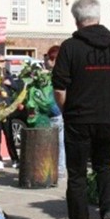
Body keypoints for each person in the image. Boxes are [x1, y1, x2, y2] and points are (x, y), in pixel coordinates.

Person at [52, 0, 110, 219]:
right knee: (104, 167)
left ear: (77, 20)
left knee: (76, 176)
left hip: (78, 118)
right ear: (98, 17)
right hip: (107, 119)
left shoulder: (70, 47)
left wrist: (68, 110)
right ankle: (109, 210)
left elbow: (59, 87)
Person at [0, 53, 23, 169]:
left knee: (9, 135)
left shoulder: (7, 74)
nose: (3, 63)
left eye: (4, 61)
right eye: (1, 61)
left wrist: (10, 83)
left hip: (6, 108)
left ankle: (15, 159)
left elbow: (17, 87)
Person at [45, 45, 66, 178]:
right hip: (59, 112)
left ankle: (56, 168)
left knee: (53, 143)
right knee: (60, 143)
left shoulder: (53, 75)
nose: (47, 61)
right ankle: (60, 169)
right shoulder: (64, 72)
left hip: (54, 112)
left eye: (49, 58)